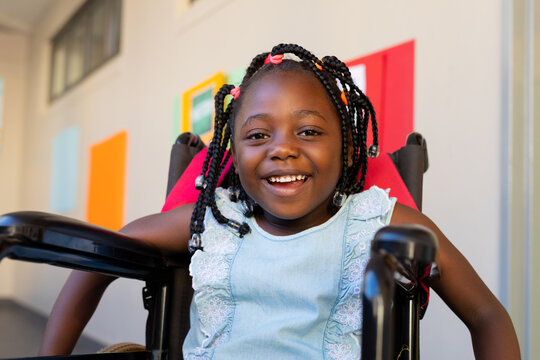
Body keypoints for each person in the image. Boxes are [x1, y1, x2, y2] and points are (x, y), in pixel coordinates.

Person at [39, 44, 520, 359]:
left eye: (309, 131)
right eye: (257, 135)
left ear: (347, 147)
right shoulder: (214, 220)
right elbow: (103, 252)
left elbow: (486, 315)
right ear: (234, 151)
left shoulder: (380, 222)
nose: (282, 148)